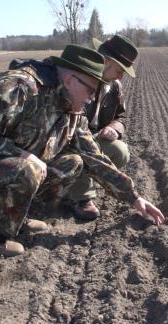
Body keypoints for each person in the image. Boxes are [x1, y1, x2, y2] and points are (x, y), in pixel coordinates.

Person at [0, 45, 165, 257]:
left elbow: (94, 158)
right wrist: (23, 155)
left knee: (73, 163)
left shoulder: (72, 110)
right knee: (29, 167)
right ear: (71, 80)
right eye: (90, 90)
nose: (92, 98)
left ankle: (14, 215)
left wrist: (134, 198)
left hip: (2, 166)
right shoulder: (18, 87)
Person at [67, 35, 137, 221]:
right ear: (105, 61)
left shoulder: (115, 87)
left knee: (120, 151)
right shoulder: (80, 81)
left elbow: (121, 116)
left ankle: (89, 178)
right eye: (120, 70)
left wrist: (115, 127)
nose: (121, 76)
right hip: (70, 140)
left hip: (94, 137)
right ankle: (82, 198)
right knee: (82, 153)